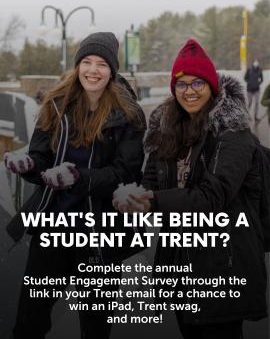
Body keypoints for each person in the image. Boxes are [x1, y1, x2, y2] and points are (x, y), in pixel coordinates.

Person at [114, 39, 268, 339]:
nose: (190, 91)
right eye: (181, 84)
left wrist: (152, 201)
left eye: (198, 82)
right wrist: (133, 197)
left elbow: (213, 197)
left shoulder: (232, 132)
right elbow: (153, 181)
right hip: (181, 262)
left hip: (224, 263)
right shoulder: (167, 129)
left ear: (212, 85)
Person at [4, 32, 146, 339]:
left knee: (95, 324)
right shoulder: (56, 103)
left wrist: (79, 178)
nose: (93, 70)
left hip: (100, 231)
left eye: (101, 64)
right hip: (53, 225)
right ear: (77, 65)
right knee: (30, 318)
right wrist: (29, 165)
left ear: (112, 70)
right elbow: (40, 157)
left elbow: (126, 172)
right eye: (86, 62)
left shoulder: (129, 114)